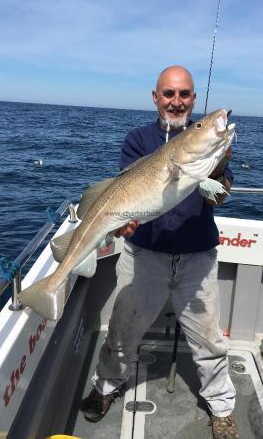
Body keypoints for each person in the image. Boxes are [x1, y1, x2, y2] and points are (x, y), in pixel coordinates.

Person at [80, 65, 238, 438]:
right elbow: (127, 197)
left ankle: (221, 408)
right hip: (144, 256)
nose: (177, 101)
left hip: (198, 258)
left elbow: (223, 196)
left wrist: (220, 166)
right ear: (156, 97)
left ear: (194, 100)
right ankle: (106, 387)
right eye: (169, 93)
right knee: (122, 331)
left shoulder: (212, 145)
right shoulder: (138, 139)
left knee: (210, 342)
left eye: (184, 94)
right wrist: (125, 222)